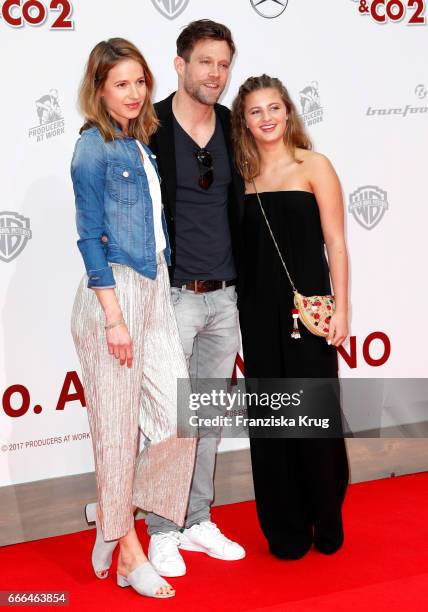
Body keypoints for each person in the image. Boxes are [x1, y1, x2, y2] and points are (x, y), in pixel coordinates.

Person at [70, 38, 196, 598]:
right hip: (111, 297)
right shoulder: (92, 148)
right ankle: (127, 552)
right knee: (117, 435)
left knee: (178, 414)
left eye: (140, 82)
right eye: (121, 83)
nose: (134, 93)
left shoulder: (140, 144)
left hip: (155, 289)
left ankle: (111, 513)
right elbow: (89, 237)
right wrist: (114, 318)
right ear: (99, 89)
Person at [230, 74, 350, 559]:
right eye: (256, 111)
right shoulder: (241, 175)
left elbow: (336, 243)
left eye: (274, 108)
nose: (267, 119)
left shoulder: (314, 165)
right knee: (272, 422)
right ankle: (285, 529)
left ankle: (326, 516)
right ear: (244, 119)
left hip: (311, 310)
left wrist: (343, 308)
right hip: (257, 312)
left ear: (288, 112)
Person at [145, 20, 246, 577]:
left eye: (223, 63)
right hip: (173, 298)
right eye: (206, 61)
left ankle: (197, 519)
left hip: (224, 299)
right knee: (167, 419)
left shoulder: (233, 126)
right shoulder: (149, 127)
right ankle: (162, 528)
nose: (216, 73)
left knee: (206, 417)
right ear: (180, 64)